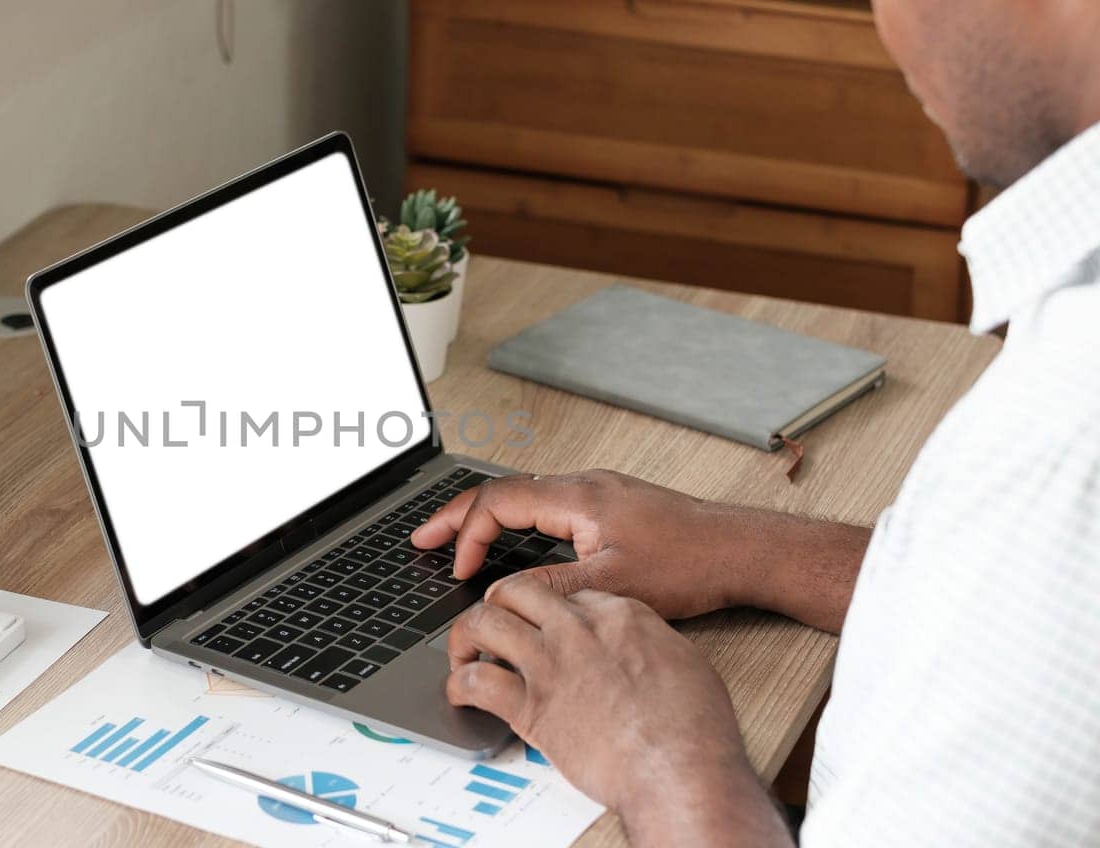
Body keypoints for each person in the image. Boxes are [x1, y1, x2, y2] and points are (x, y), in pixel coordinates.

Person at [410, 1, 1100, 844]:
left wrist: (664, 756)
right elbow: (1026, 605)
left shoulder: (1070, 440)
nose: (888, 26)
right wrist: (740, 548)